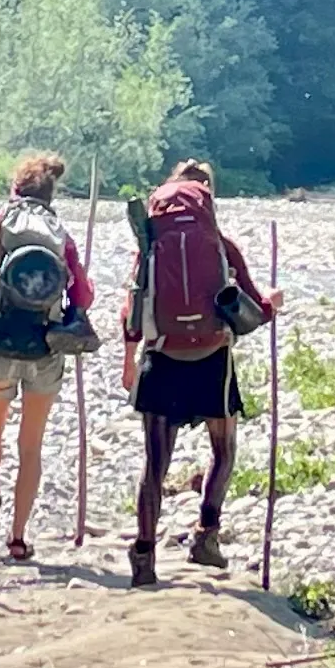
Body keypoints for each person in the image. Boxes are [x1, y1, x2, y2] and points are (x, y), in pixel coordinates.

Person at [121, 160, 278, 589]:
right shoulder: (221, 246)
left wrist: (128, 359)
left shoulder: (151, 245)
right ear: (208, 198)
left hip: (162, 356)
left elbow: (133, 309)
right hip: (213, 358)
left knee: (155, 463)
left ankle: (144, 554)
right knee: (223, 448)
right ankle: (206, 536)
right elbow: (254, 308)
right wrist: (273, 304)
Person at [0, 152, 94, 562]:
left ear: (15, 189)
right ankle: (18, 538)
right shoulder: (60, 235)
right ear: (51, 194)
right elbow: (83, 295)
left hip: (2, 343)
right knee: (31, 447)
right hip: (45, 348)